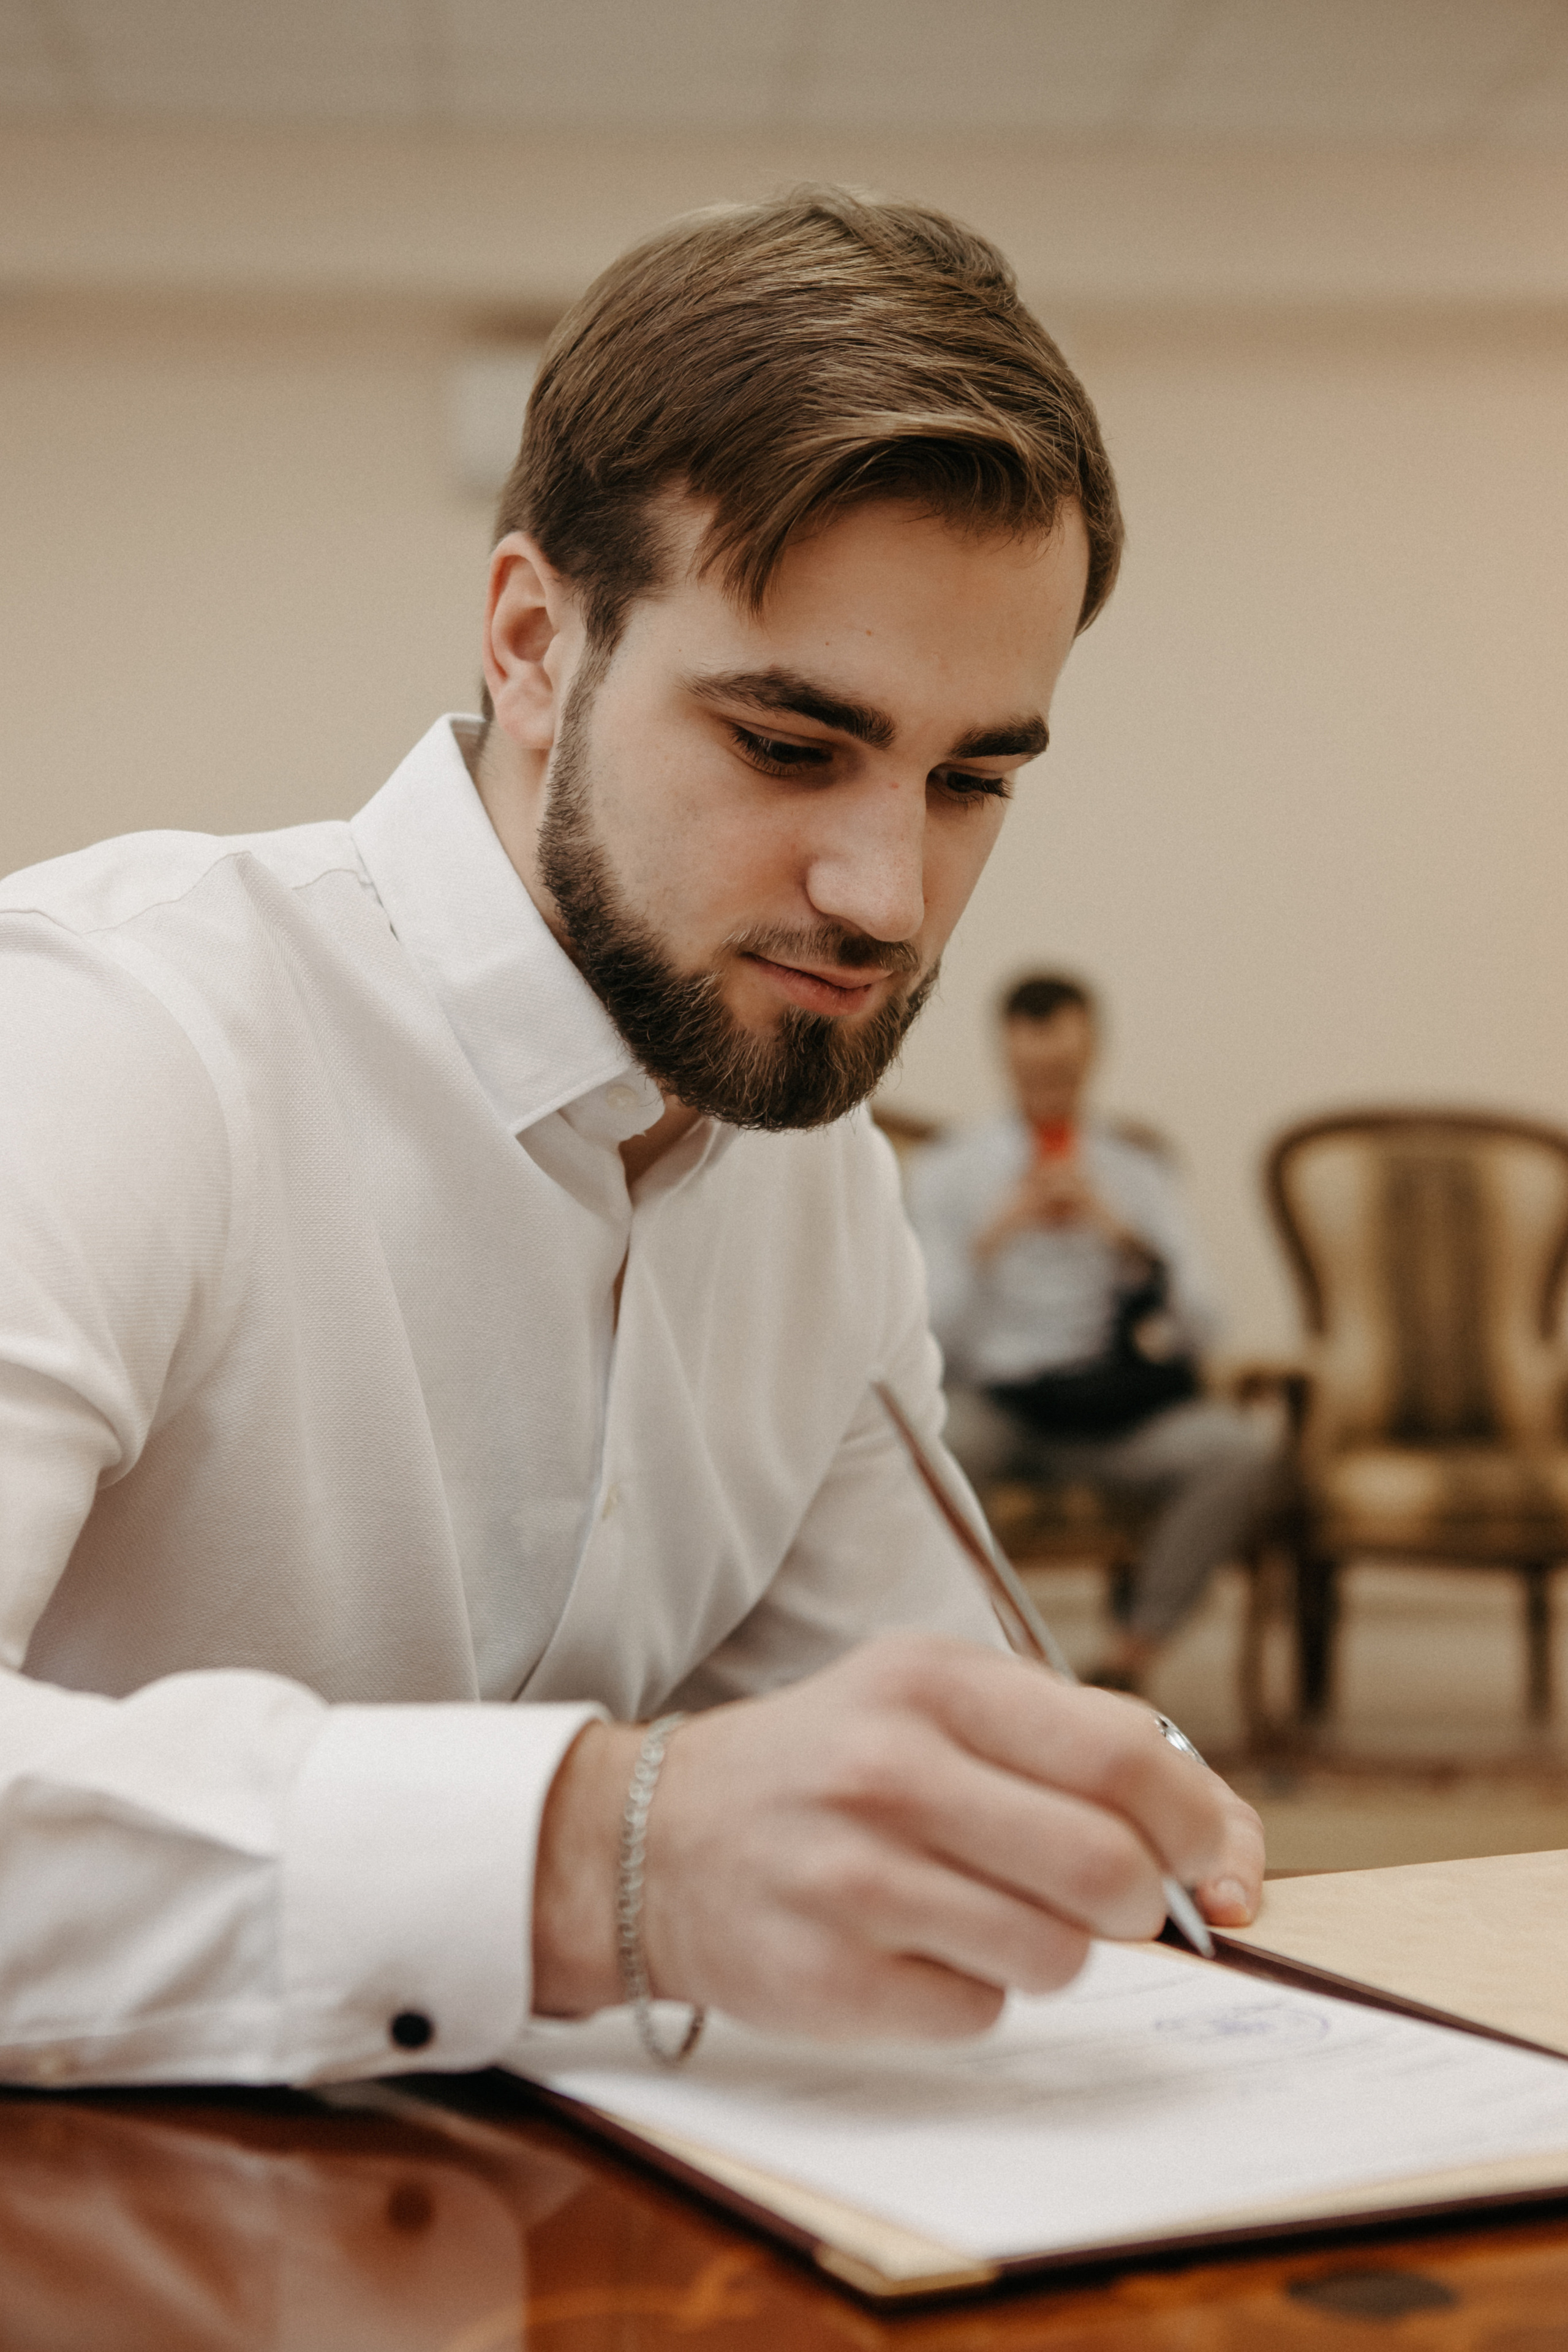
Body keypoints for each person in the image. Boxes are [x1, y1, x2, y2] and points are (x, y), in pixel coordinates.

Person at [0, 189, 1261, 2089]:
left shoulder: (814, 1171)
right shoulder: (113, 1034)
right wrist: (597, 1849)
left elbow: (924, 1748)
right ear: (531, 640)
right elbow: (665, 1845)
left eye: (972, 778)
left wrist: (1072, 1821)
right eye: (785, 743)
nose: (888, 896)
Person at [910, 973, 1280, 1691]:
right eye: (1032, 1068)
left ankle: (1129, 1655)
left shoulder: (1137, 1171)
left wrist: (1122, 1236)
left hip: (1112, 1409)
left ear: (1093, 1056)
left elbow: (1204, 1330)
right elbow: (920, 1337)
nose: (1048, 1081)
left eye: (1065, 1068)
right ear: (1005, 1055)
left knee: (1236, 1451)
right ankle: (984, 1660)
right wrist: (993, 1237)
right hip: (1001, 1402)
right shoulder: (950, 1170)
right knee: (936, 1449)